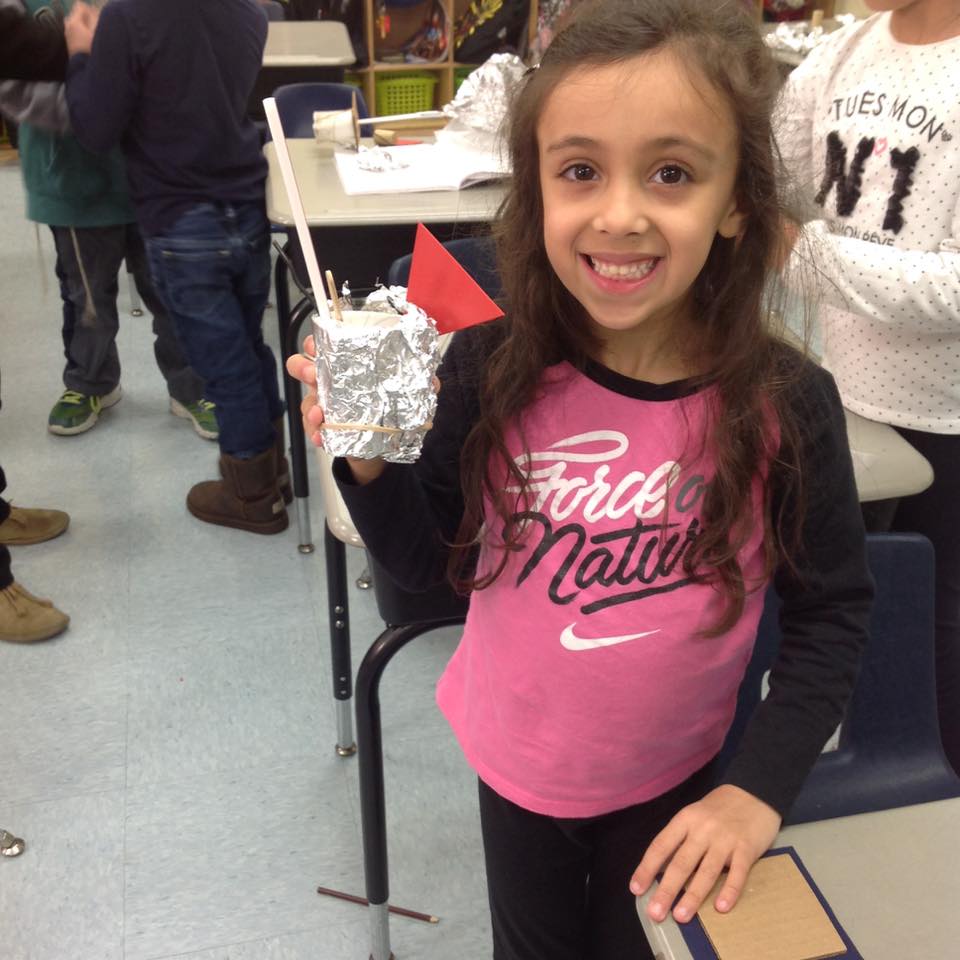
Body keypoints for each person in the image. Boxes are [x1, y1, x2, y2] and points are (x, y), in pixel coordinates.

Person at [286, 1, 873, 956]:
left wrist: (758, 789)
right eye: (580, 171)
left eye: (672, 173)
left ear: (737, 203)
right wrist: (368, 460)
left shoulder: (787, 403)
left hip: (679, 780)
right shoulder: (488, 365)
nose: (620, 215)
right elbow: (428, 574)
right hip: (518, 773)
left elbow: (832, 613)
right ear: (538, 192)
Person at [776, 0, 960, 774]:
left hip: (946, 419)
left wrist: (803, 256)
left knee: (939, 630)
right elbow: (772, 178)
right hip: (848, 404)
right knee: (854, 608)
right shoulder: (840, 55)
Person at [64, 0, 289, 535]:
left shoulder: (127, 17)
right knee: (250, 347)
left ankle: (252, 497)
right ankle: (273, 473)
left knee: (226, 368)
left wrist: (81, 55)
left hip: (181, 217)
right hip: (244, 204)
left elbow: (95, 129)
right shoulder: (250, 12)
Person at [0, 0, 215, 440]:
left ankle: (193, 386)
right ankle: (91, 383)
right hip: (73, 182)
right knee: (88, 300)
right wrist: (98, 104)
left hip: (157, 177)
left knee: (173, 291)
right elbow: (13, 85)